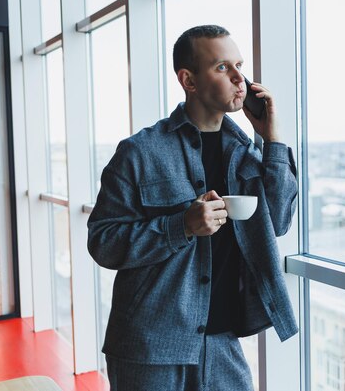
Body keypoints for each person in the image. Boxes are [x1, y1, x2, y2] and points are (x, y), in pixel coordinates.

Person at [87, 24, 298, 391]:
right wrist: (180, 226)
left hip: (222, 343)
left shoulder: (248, 153)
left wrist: (272, 140)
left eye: (239, 66)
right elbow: (103, 241)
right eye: (222, 68)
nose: (240, 79)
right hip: (150, 348)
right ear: (189, 80)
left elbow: (278, 222)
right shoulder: (140, 152)